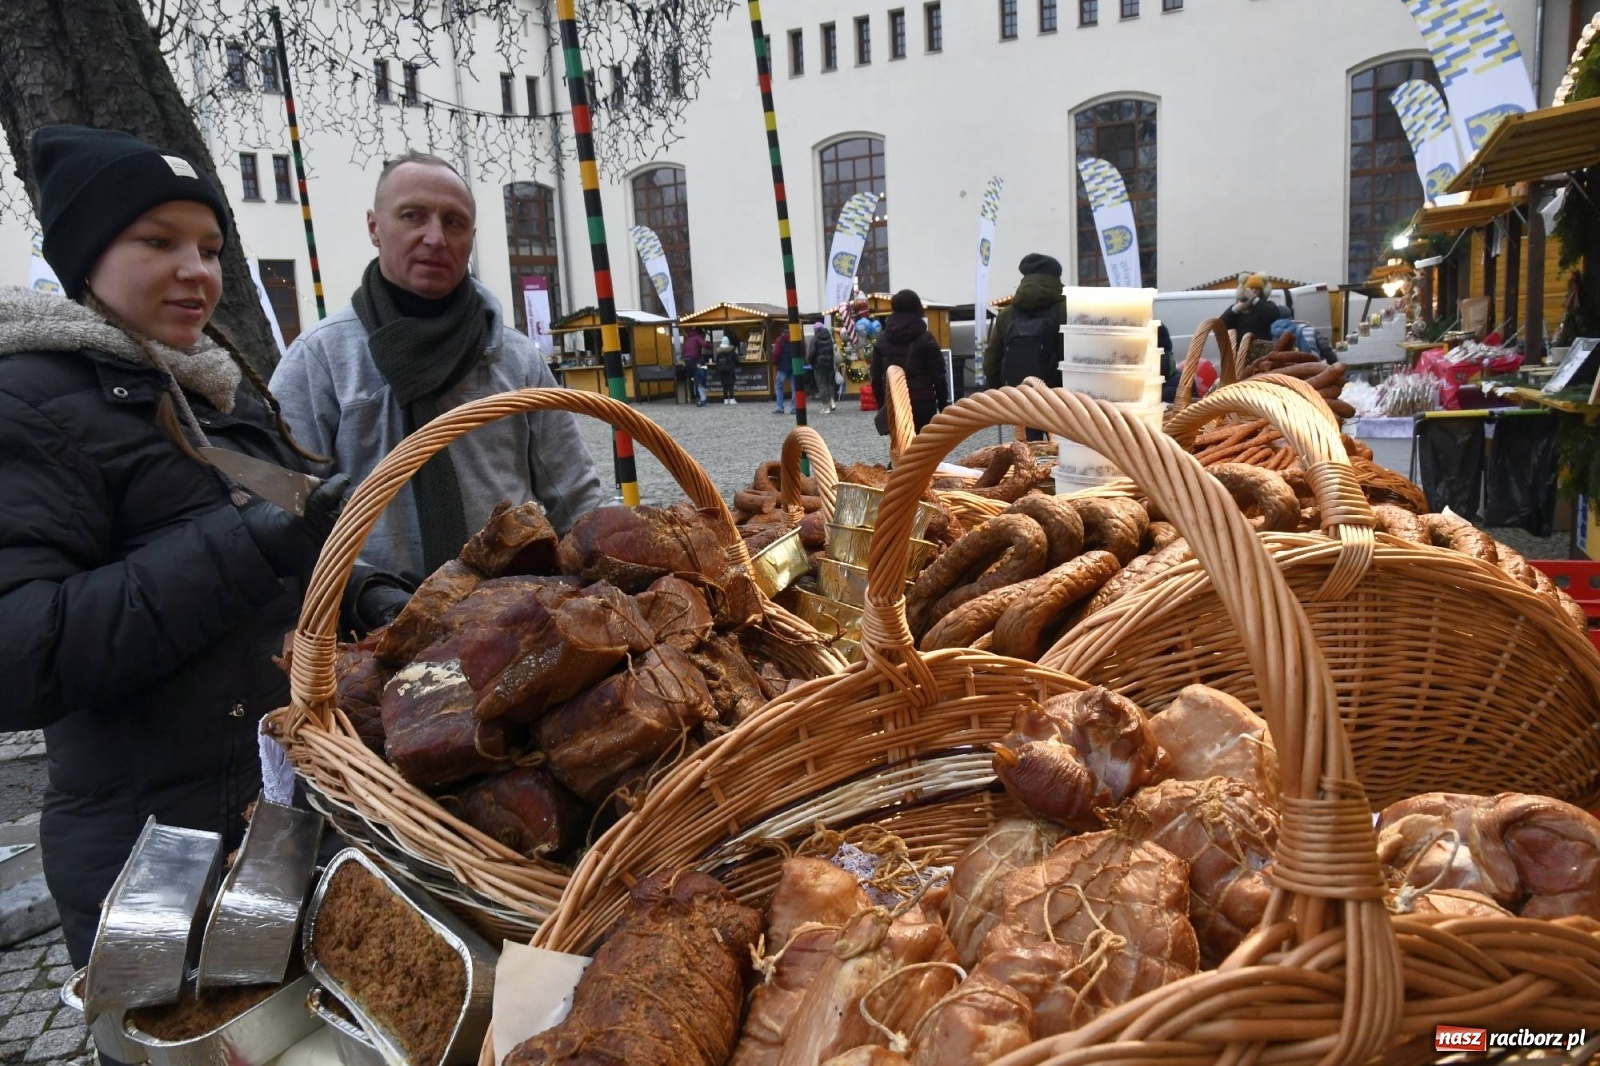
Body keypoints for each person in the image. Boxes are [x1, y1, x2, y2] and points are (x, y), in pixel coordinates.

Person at [0, 125, 409, 972]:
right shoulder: (28, 404)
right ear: (86, 255)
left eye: (212, 247)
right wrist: (247, 544)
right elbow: (21, 650)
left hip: (281, 820)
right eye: (159, 241)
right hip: (152, 860)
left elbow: (292, 545)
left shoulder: (213, 395)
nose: (198, 270)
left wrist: (364, 593)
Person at [271, 151, 605, 584]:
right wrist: (364, 595)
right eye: (413, 216)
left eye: (454, 222)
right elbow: (286, 516)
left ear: (472, 235)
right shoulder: (321, 361)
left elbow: (574, 493)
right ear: (374, 226)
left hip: (510, 615)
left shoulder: (515, 357)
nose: (435, 237)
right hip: (374, 622)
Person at [983, 252, 1066, 440]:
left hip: (1023, 398)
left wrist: (1000, 391)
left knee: (1028, 451)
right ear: (1056, 277)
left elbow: (991, 361)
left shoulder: (1007, 314)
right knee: (1063, 454)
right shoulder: (1066, 309)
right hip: (1061, 399)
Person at [869, 289, 948, 431]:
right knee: (925, 447)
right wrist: (943, 406)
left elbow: (875, 376)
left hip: (895, 403)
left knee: (902, 449)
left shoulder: (882, 340)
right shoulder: (926, 338)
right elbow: (939, 376)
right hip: (923, 401)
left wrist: (883, 406)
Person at [1220, 273, 1284, 344]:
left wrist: (1255, 299)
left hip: (1261, 349)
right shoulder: (1237, 308)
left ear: (1261, 291)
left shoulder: (1266, 305)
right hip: (1240, 350)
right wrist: (1234, 310)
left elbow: (1273, 315)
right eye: (1251, 288)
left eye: (1257, 288)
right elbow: (1220, 326)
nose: (1254, 291)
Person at [809, 321, 837, 413]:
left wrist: (810, 361)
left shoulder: (815, 339)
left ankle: (826, 406)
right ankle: (832, 401)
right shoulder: (829, 337)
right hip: (829, 364)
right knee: (829, 383)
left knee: (822, 385)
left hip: (819, 365)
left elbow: (812, 353)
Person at [683, 326, 709, 406]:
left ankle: (692, 397)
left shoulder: (688, 339)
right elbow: (704, 344)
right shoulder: (698, 337)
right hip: (694, 360)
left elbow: (683, 350)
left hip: (687, 360)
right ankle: (699, 397)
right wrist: (710, 345)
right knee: (697, 379)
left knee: (690, 379)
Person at [771, 329, 793, 414]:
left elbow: (776, 353)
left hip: (782, 367)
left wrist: (776, 363)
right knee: (794, 388)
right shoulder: (795, 337)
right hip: (794, 366)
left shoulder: (780, 340)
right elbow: (802, 350)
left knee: (779, 387)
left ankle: (780, 407)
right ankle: (794, 407)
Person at [715, 334, 739, 404]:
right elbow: (736, 360)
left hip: (722, 370)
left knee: (724, 385)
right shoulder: (731, 351)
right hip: (730, 370)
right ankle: (731, 398)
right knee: (730, 384)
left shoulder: (719, 352)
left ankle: (725, 399)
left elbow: (717, 362)